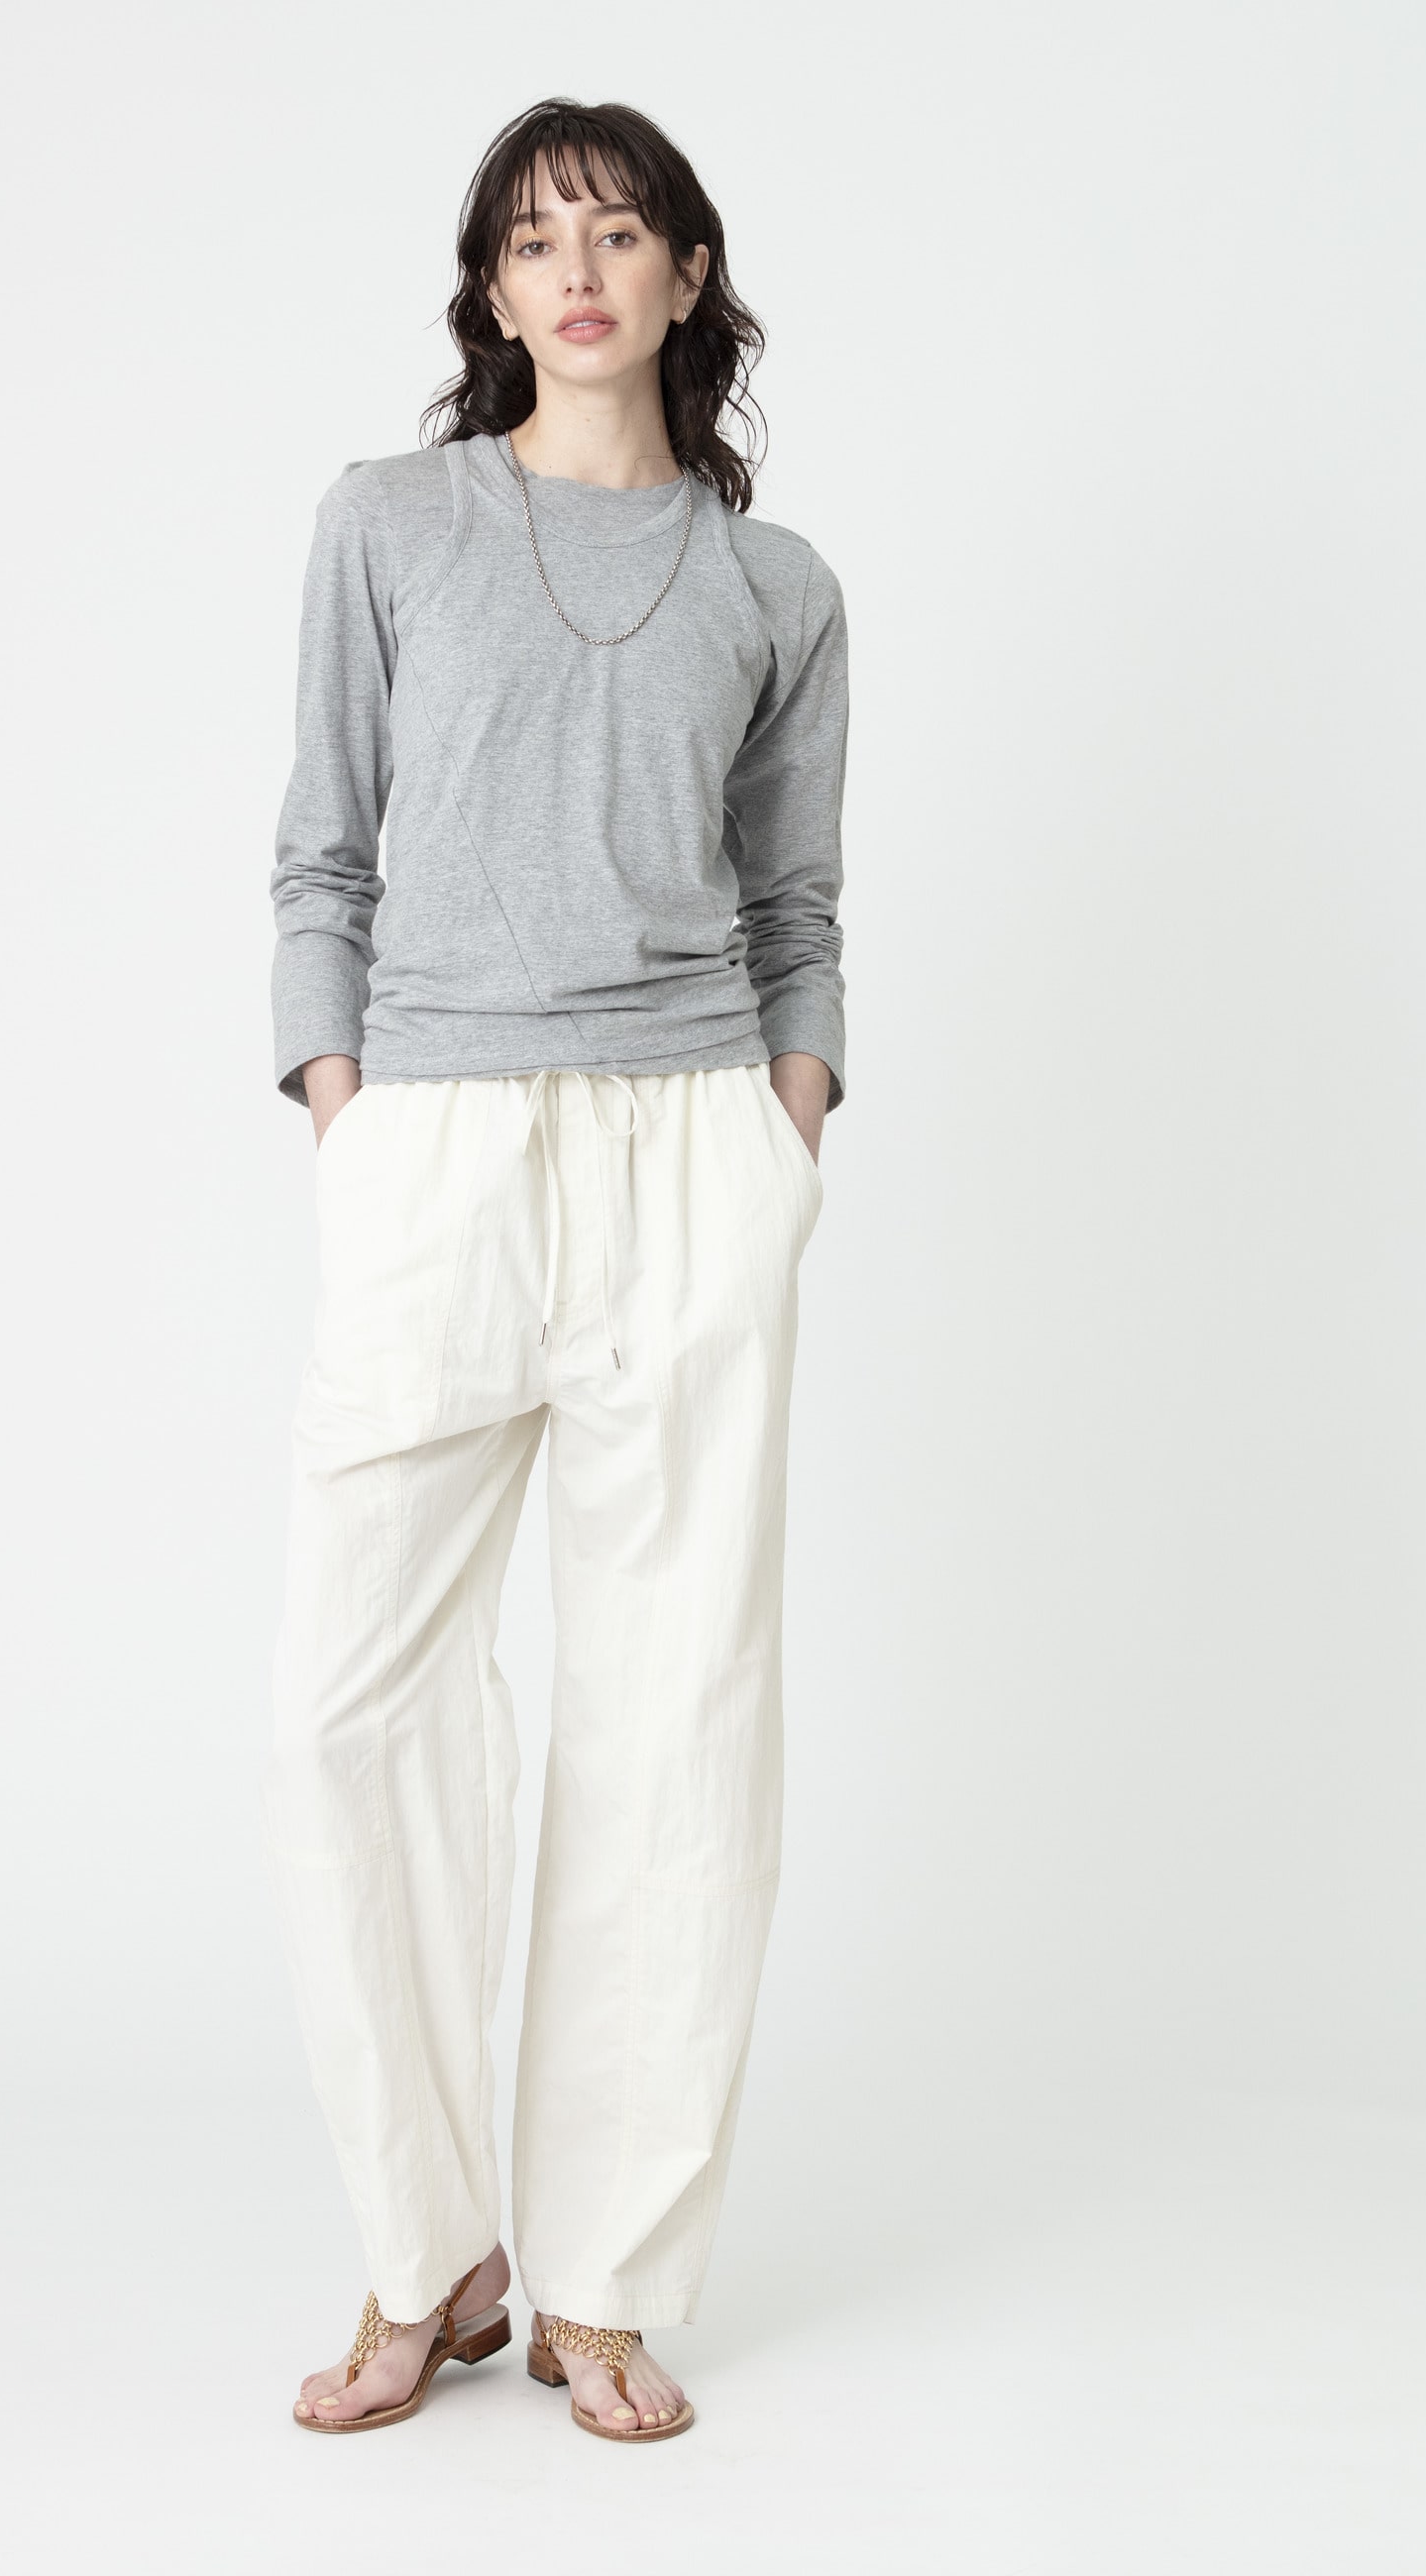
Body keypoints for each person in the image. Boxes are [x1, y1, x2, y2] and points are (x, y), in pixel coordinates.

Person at [265, 95, 848, 2444]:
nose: (576, 271)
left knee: (675, 1706)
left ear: (688, 275)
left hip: (693, 1145)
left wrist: (790, 1113)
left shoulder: (775, 585)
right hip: (436, 1141)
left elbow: (798, 900)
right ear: (490, 294)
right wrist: (345, 1101)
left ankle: (604, 2270)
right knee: (355, 1701)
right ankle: (430, 2246)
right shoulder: (389, 522)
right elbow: (322, 845)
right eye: (532, 241)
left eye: (616, 232)